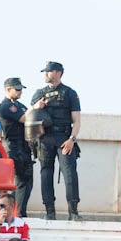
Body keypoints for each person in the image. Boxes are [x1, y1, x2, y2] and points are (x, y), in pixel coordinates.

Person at [30, 62, 81, 219]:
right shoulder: (39, 93)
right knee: (46, 174)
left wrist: (72, 139)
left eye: (48, 71)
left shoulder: (70, 93)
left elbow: (77, 120)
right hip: (44, 139)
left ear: (58, 73)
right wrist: (36, 107)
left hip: (64, 138)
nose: (45, 74)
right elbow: (28, 118)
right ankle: (49, 212)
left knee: (69, 173)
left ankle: (73, 211)